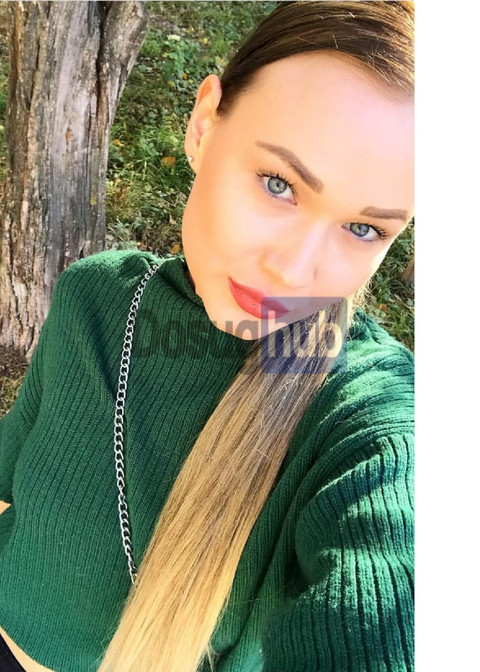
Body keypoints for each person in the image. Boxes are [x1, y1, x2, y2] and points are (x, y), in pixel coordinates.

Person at [0, 2, 414, 671]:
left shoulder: (366, 419)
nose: (294, 270)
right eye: (279, 183)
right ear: (203, 125)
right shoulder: (94, 297)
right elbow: (11, 472)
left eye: (363, 229)